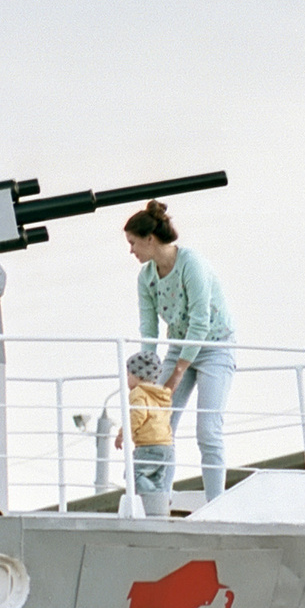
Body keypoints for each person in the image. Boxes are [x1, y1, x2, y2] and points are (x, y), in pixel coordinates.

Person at [124, 199, 236, 506]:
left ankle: (217, 507)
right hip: (179, 346)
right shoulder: (146, 278)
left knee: (208, 431)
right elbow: (148, 330)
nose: (131, 250)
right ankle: (159, 501)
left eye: (133, 243)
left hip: (215, 346)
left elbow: (200, 321)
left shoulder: (191, 264)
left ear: (150, 239)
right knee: (159, 426)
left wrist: (177, 373)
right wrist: (148, 381)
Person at [122, 347, 175, 519]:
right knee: (157, 478)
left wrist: (124, 433)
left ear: (138, 376)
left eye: (128, 375)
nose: (127, 379)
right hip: (166, 445)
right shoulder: (161, 394)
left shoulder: (138, 393)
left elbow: (138, 415)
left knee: (133, 474)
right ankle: (159, 506)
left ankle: (154, 498)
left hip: (148, 445)